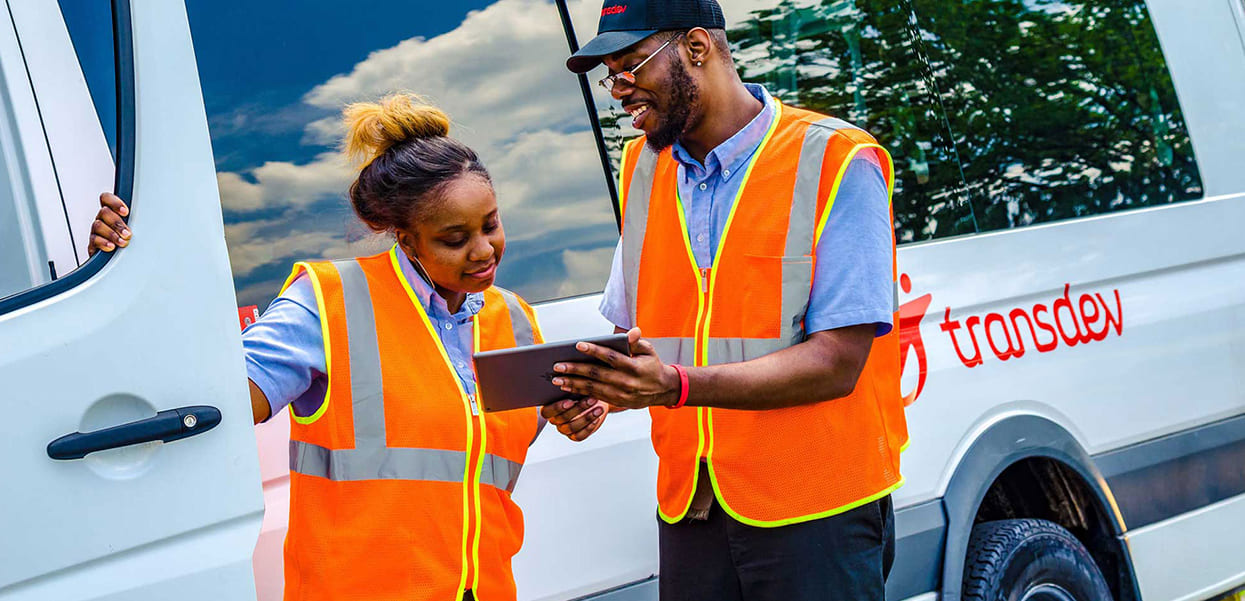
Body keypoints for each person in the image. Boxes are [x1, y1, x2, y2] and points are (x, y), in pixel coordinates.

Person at [88, 93, 605, 601]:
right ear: (405, 237)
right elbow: (211, 394)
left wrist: (570, 412)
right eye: (454, 238)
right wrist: (130, 278)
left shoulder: (512, 317)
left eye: (490, 224)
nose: (484, 250)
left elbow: (477, 447)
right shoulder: (326, 303)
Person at [542, 1, 910, 599]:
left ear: (695, 47)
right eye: (611, 75)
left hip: (817, 513)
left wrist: (675, 386)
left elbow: (838, 364)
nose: (618, 91)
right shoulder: (642, 166)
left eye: (631, 66)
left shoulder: (836, 160)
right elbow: (641, 330)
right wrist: (599, 394)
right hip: (692, 510)